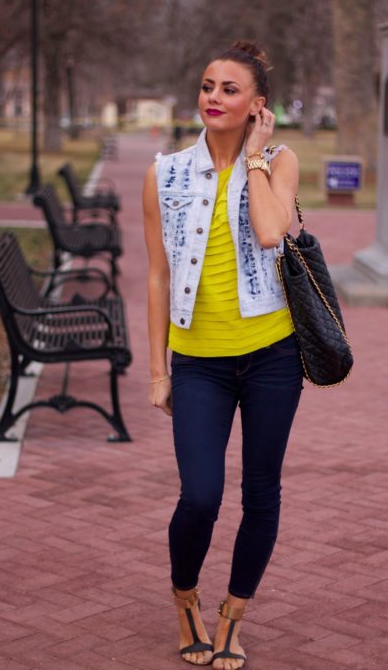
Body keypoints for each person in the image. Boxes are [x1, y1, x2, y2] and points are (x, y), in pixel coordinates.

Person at [142, 40, 303, 670]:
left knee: (261, 493)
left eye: (229, 89)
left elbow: (269, 231)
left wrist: (257, 159)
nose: (213, 98)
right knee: (201, 495)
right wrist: (159, 371)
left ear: (257, 106)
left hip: (271, 356)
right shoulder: (166, 172)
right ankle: (185, 598)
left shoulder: (281, 162)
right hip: (199, 362)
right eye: (208, 86)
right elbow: (157, 276)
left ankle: (233, 615)